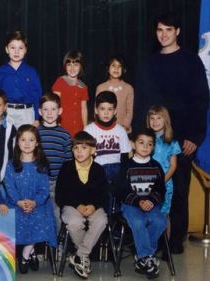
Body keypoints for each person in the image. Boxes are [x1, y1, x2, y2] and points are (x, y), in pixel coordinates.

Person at [134, 12, 209, 253]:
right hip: (151, 142)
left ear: (177, 31)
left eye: (168, 29)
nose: (163, 34)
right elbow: (142, 104)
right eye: (159, 30)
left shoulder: (191, 61)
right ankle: (151, 242)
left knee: (177, 192)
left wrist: (195, 137)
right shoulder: (149, 63)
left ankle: (174, 243)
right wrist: (140, 138)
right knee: (149, 190)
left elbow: (200, 101)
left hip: (182, 140)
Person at [4, 125, 57, 274]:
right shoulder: (11, 164)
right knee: (17, 218)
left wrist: (34, 202)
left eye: (31, 140)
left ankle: (25, 255)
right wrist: (19, 202)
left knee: (39, 218)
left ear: (37, 143)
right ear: (17, 143)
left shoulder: (40, 164)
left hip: (38, 203)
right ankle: (32, 251)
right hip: (16, 203)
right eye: (23, 140)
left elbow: (44, 189)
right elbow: (9, 187)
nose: (27, 144)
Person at [55, 131, 108, 279]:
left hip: (94, 206)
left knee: (101, 220)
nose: (79, 151)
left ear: (93, 150)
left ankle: (80, 255)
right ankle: (83, 257)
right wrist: (77, 205)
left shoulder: (99, 170)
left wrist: (93, 205)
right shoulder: (66, 168)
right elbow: (61, 193)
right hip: (72, 206)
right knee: (74, 223)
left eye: (84, 148)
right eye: (76, 148)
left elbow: (103, 194)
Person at [116, 128, 167, 279]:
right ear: (133, 144)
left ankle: (144, 257)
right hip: (131, 205)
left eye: (149, 144)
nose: (145, 147)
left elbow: (160, 189)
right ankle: (146, 258)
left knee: (160, 221)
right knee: (138, 222)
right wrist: (139, 201)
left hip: (151, 204)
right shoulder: (126, 166)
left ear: (153, 147)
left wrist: (151, 200)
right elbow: (121, 190)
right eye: (141, 143)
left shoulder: (156, 166)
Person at [0, 30, 42, 128]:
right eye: (12, 47)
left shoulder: (31, 72)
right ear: (6, 49)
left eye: (20, 48)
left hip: (27, 113)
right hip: (6, 113)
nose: (16, 51)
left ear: (25, 50)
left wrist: (36, 117)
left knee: (26, 141)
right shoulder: (1, 71)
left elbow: (37, 95)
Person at [37, 92, 72, 227]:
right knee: (38, 213)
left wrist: (64, 182)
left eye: (53, 109)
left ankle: (55, 244)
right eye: (46, 109)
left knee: (55, 214)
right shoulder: (36, 133)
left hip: (57, 183)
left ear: (60, 111)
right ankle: (38, 245)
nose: (49, 113)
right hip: (39, 181)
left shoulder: (65, 135)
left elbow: (68, 162)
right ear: (40, 111)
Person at [85, 91, 131, 186]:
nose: (106, 113)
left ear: (115, 112)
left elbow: (125, 156)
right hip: (97, 168)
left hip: (116, 169)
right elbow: (85, 156)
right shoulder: (89, 130)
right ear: (96, 110)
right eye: (102, 109)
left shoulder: (120, 130)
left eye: (110, 109)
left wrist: (122, 176)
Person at [146, 105, 181, 216]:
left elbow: (173, 165)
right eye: (152, 118)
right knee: (148, 215)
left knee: (164, 215)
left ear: (165, 120)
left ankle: (167, 233)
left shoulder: (172, 142)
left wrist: (162, 181)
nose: (155, 121)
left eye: (159, 118)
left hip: (165, 183)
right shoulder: (145, 139)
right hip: (146, 182)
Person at [52, 50, 89, 137]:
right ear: (65, 66)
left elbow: (84, 109)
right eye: (69, 65)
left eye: (76, 65)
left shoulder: (83, 86)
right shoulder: (60, 81)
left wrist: (85, 127)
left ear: (81, 67)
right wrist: (56, 122)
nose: (72, 68)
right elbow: (54, 104)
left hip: (78, 128)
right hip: (62, 125)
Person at [95, 55, 134, 133]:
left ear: (123, 70)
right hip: (104, 128)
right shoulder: (101, 87)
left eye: (119, 66)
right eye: (113, 65)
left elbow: (129, 111)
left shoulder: (128, 88)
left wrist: (125, 126)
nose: (116, 68)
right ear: (107, 68)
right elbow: (96, 109)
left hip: (122, 129)